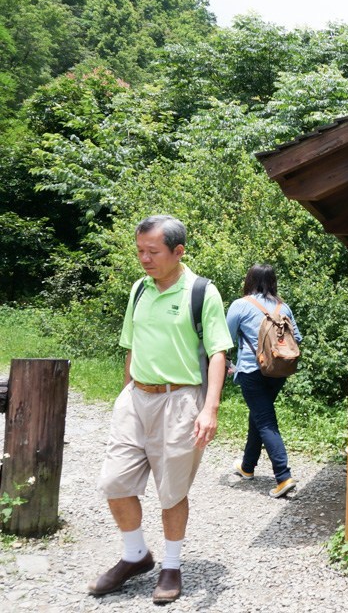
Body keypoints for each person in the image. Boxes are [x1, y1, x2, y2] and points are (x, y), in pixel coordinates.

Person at [91, 215, 233, 604]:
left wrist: (210, 408)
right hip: (136, 397)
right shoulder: (139, 289)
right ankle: (135, 554)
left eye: (152, 251)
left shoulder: (202, 292)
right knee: (114, 482)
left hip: (180, 400)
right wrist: (125, 394)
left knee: (171, 491)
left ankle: (171, 566)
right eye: (140, 251)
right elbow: (132, 345)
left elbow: (218, 353)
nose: (144, 259)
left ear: (178, 251)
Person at [225, 264, 302, 498]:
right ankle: (247, 467)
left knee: (265, 420)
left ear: (249, 280)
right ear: (273, 281)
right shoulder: (283, 307)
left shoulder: (240, 305)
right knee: (259, 415)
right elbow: (297, 338)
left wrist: (228, 364)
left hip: (252, 371)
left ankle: (283, 476)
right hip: (278, 371)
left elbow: (225, 338)